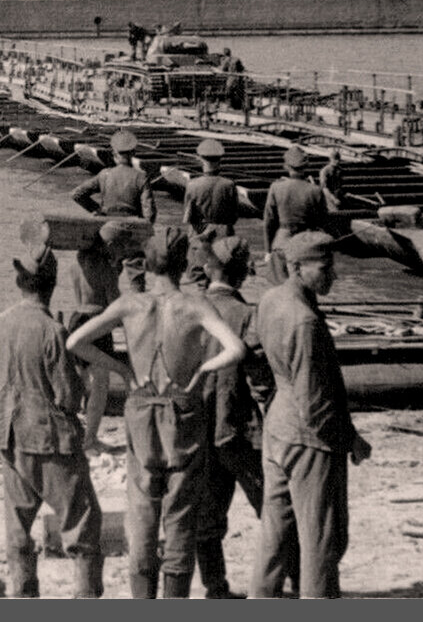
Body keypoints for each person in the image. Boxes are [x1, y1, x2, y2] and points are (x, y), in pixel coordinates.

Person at [66, 227, 246, 599]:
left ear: (147, 265)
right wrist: (202, 371)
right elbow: (236, 348)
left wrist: (120, 368)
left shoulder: (130, 304)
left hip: (141, 406)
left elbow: (76, 341)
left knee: (142, 507)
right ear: (183, 264)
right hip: (182, 407)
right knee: (180, 509)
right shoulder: (195, 304)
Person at [0, 242, 104, 599]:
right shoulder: (53, 331)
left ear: (19, 282)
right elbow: (68, 396)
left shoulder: (2, 321)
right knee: (83, 526)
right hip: (50, 439)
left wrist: (0, 392)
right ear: (52, 284)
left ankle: (24, 595)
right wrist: (84, 384)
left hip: (10, 435)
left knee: (19, 526)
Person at [253, 232, 371, 600]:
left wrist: (269, 400)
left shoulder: (270, 299)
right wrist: (348, 439)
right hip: (309, 438)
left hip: (278, 426)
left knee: (275, 534)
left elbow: (255, 358)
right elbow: (315, 403)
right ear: (296, 267)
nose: (333, 275)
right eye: (324, 268)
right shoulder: (304, 321)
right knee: (322, 540)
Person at [190, 234, 270, 599]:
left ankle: (216, 588)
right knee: (272, 508)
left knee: (206, 516)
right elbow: (261, 379)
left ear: (209, 269)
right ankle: (292, 583)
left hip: (200, 427)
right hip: (240, 428)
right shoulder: (249, 314)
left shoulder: (189, 308)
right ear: (242, 275)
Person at [59, 219, 134, 451]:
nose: (124, 251)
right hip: (97, 325)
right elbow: (115, 304)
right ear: (110, 244)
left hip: (76, 320)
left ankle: (72, 433)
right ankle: (90, 438)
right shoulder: (106, 269)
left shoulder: (78, 261)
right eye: (121, 246)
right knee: (100, 384)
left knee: (80, 380)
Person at [263, 146, 330, 283]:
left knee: (280, 288)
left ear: (286, 166)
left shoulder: (276, 187)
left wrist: (268, 250)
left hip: (281, 245)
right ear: (306, 166)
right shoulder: (315, 190)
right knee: (304, 289)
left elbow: (269, 221)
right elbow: (324, 222)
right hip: (305, 247)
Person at [72, 129, 157, 222]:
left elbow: (76, 194)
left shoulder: (104, 174)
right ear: (133, 153)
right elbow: (149, 212)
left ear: (114, 154)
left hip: (107, 223)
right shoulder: (141, 177)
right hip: (132, 224)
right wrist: (144, 226)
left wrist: (98, 210)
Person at [183, 139, 240, 239]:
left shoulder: (192, 185)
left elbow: (188, 218)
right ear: (220, 160)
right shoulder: (229, 185)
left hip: (199, 237)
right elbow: (233, 217)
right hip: (223, 238)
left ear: (201, 160)